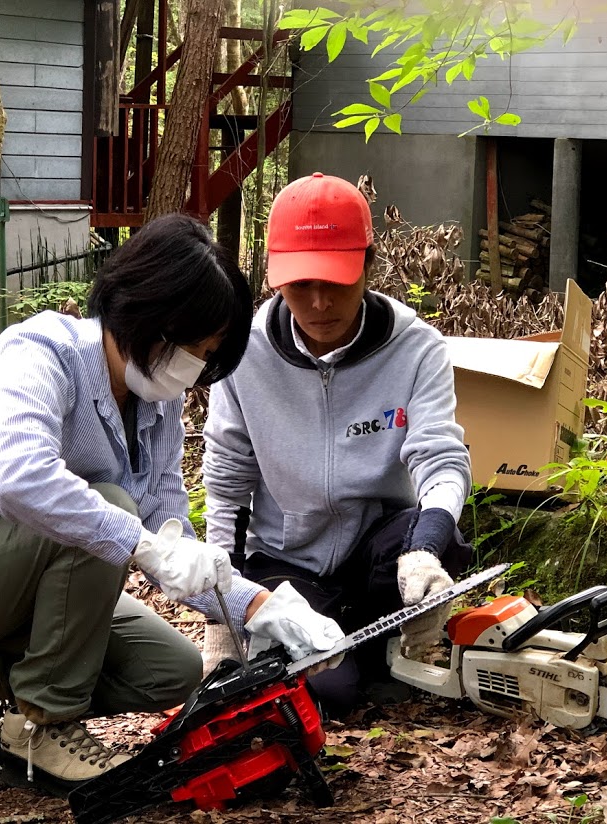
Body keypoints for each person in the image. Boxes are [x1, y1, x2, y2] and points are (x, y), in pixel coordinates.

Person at [0, 214, 344, 795]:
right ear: (149, 316)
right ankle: (43, 723)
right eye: (194, 349)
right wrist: (141, 542)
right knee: (107, 507)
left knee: (171, 670)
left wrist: (262, 607)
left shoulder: (157, 403)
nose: (197, 370)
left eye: (208, 356)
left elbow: (166, 534)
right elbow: (19, 479)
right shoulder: (41, 354)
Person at [201, 174, 475, 715]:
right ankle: (360, 650)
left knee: (438, 539)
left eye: (338, 281)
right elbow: (227, 479)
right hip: (285, 562)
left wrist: (424, 549)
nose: (320, 302)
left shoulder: (417, 349)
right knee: (332, 692)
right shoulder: (242, 355)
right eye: (301, 284)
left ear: (368, 266)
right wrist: (220, 612)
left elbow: (440, 458)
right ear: (275, 277)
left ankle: (393, 625)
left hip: (380, 553)